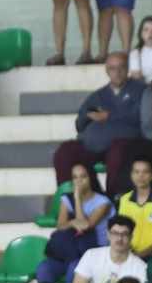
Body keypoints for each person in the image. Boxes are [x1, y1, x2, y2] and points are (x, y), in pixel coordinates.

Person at [52, 53, 145, 198]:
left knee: (118, 152)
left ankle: (113, 200)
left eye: (121, 68)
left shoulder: (140, 90)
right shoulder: (98, 95)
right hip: (93, 143)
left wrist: (109, 116)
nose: (117, 72)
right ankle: (77, 199)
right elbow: (79, 123)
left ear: (127, 69)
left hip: (125, 143)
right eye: (113, 68)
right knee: (65, 151)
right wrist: (88, 116)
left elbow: (142, 119)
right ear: (107, 71)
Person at [36, 162, 114, 283]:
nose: (79, 181)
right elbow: (60, 227)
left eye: (83, 177)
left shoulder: (103, 202)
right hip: (70, 250)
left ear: (91, 178)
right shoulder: (66, 199)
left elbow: (85, 226)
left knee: (75, 268)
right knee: (43, 268)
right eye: (75, 177)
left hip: (93, 252)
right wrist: (72, 222)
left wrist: (77, 198)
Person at [117, 157, 152, 257]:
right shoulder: (125, 199)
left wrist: (141, 255)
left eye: (145, 172)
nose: (140, 176)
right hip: (130, 254)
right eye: (136, 172)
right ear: (131, 175)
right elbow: (122, 230)